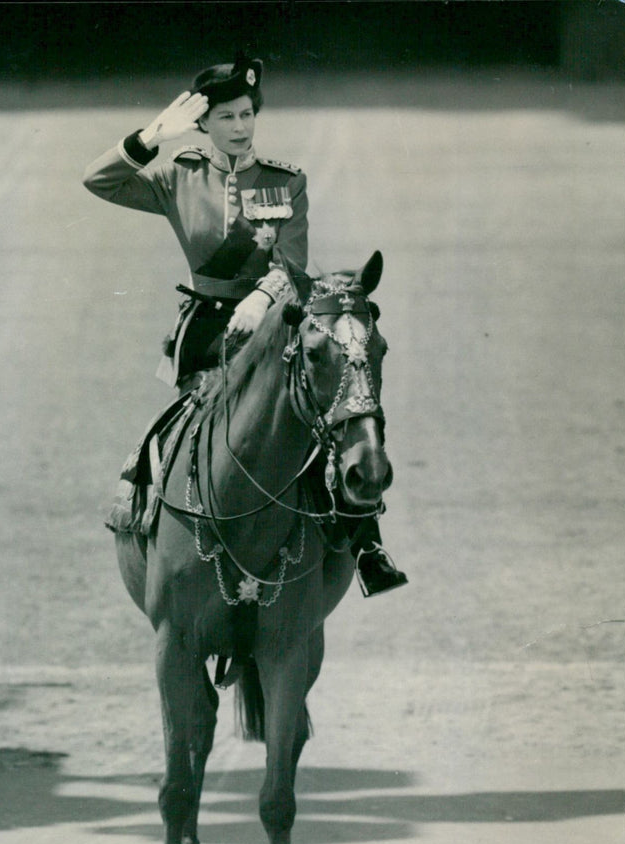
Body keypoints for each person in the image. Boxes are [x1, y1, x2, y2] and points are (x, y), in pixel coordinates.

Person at [83, 55, 406, 597]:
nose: (239, 128)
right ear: (203, 125)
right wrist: (151, 136)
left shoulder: (285, 182)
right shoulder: (177, 176)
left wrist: (261, 299)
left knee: (329, 424)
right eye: (226, 118)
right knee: (175, 438)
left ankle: (365, 541)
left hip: (274, 327)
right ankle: (151, 520)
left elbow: (294, 264)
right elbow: (98, 180)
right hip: (208, 338)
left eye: (246, 115)